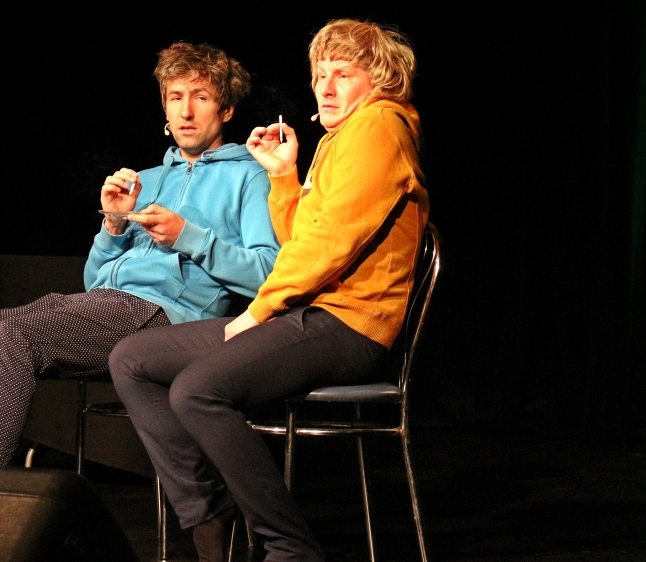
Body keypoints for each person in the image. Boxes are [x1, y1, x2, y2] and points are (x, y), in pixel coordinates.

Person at [109, 18, 429, 562]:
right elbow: (301, 238)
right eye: (320, 75)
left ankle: (289, 548)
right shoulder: (342, 137)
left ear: (378, 80)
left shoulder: (378, 127)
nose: (326, 88)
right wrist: (284, 176)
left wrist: (258, 311)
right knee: (132, 359)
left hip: (349, 323)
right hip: (310, 315)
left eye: (343, 74)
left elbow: (328, 246)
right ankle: (208, 515)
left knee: (196, 390)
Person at [0, 41, 280, 466]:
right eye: (176, 97)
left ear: (226, 109)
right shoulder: (147, 179)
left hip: (167, 316)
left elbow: (268, 274)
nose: (186, 112)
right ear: (164, 106)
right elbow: (94, 281)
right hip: (103, 305)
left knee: (15, 337)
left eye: (201, 97)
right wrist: (113, 226)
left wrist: (186, 236)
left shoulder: (251, 176)